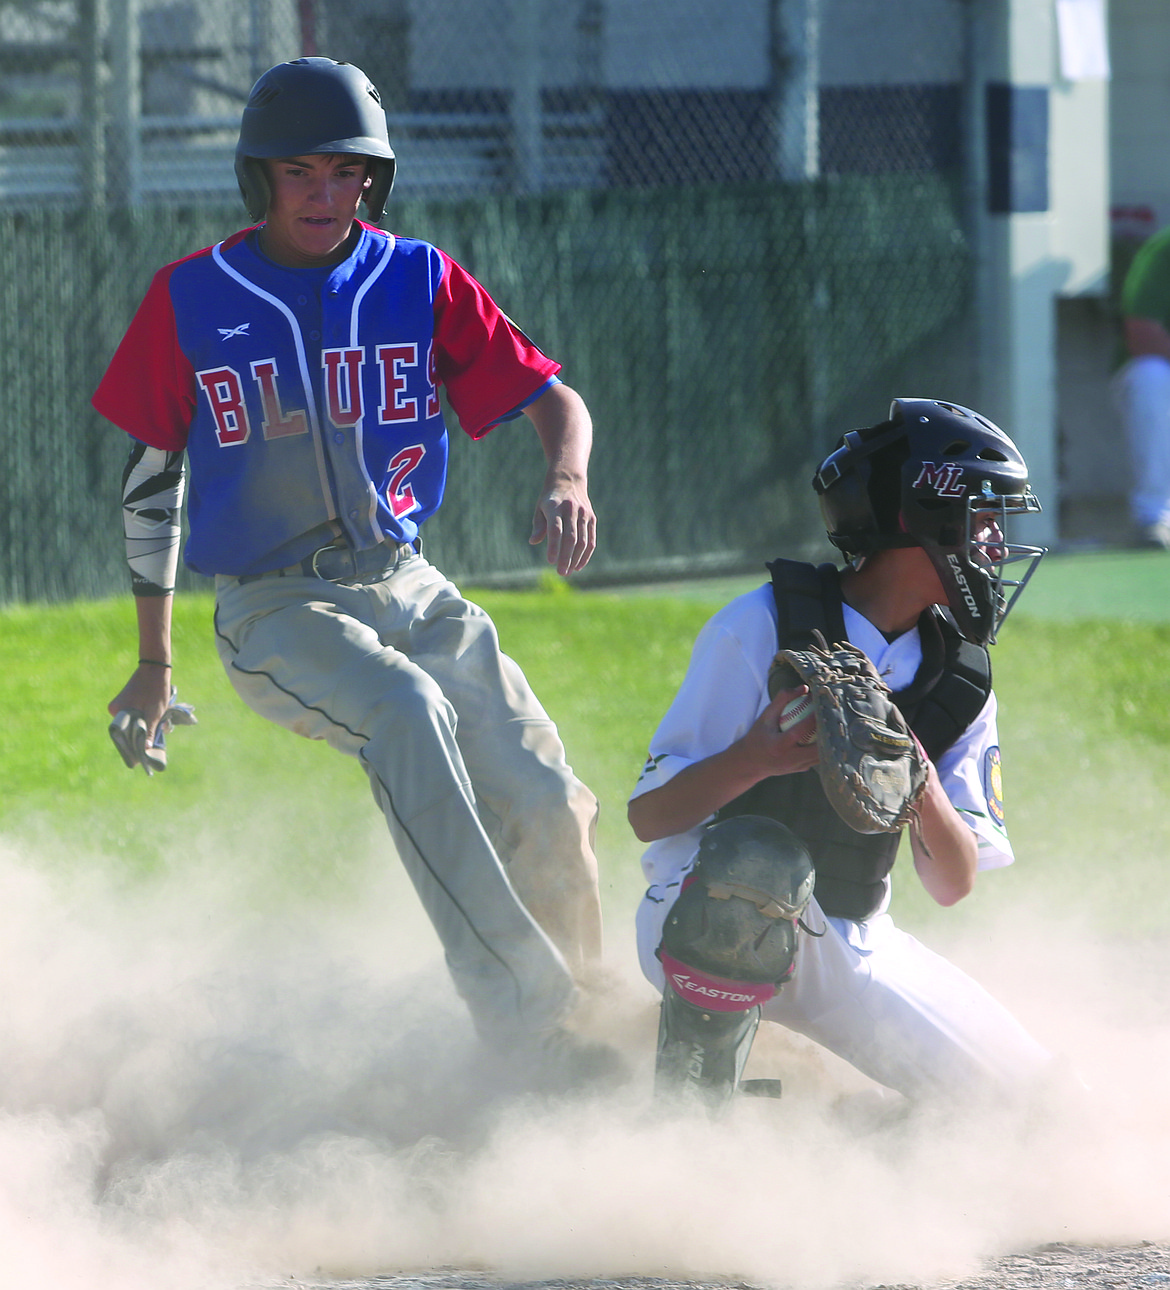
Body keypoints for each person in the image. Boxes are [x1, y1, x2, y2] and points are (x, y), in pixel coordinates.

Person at [93, 56, 612, 1083]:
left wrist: (568, 477)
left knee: (544, 792)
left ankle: (597, 1011)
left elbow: (556, 399)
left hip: (408, 581)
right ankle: (529, 1026)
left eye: (346, 173)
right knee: (408, 715)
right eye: (300, 173)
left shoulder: (416, 277)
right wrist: (153, 666)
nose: (326, 195)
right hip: (273, 607)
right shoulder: (193, 296)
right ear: (261, 180)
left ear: (372, 179)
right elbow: (152, 483)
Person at [628, 398, 1054, 1111]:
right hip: (700, 912)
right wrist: (755, 758)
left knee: (1039, 1112)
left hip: (854, 941)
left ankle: (841, 1133)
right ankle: (688, 1125)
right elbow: (649, 818)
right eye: (983, 518)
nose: (995, 544)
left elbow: (952, 883)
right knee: (756, 861)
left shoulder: (960, 679)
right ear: (925, 518)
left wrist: (912, 773)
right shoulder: (762, 625)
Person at [1113, 223, 1170, 549]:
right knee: (1152, 375)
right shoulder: (1165, 249)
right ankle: (1155, 518)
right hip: (1157, 376)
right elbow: (1142, 334)